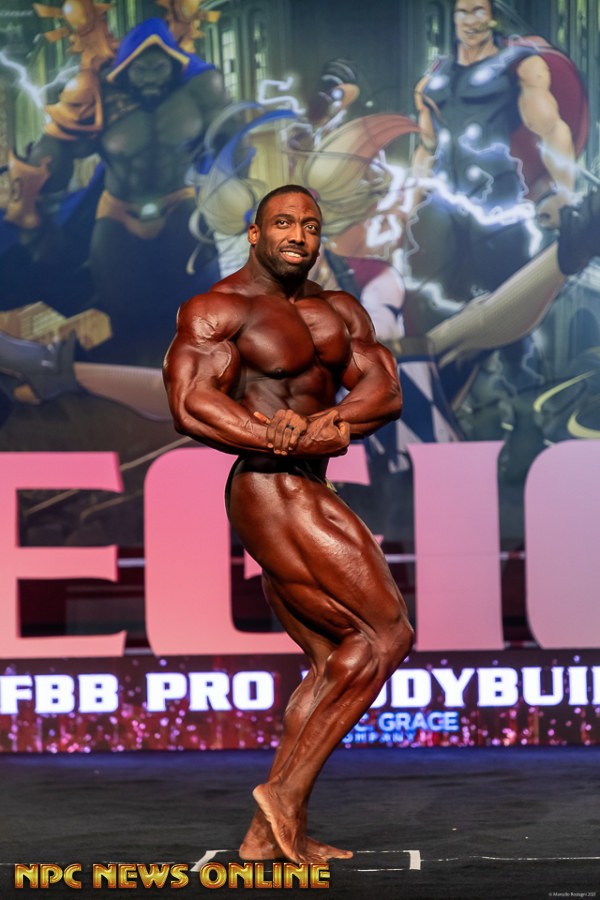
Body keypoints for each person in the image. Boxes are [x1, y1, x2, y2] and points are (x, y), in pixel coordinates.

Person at [162, 184, 415, 864]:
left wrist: (330, 422)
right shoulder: (219, 308)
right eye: (282, 222)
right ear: (254, 233)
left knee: (338, 659)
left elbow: (384, 390)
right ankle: (284, 793)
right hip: (269, 485)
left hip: (306, 479)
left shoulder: (339, 309)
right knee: (387, 633)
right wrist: (279, 438)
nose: (298, 234)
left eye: (310, 224)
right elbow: (191, 403)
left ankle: (266, 835)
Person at [5, 17, 241, 367]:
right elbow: (54, 151)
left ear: (173, 65)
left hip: (179, 207)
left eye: (158, 67)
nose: (150, 77)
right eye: (140, 69)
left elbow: (233, 137)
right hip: (118, 216)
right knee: (125, 320)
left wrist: (231, 190)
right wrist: (39, 218)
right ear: (125, 69)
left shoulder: (197, 95)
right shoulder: (100, 98)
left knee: (197, 319)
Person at [405, 0, 579, 334]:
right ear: (453, 18)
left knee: (505, 304)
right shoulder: (432, 82)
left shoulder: (520, 67)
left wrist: (565, 195)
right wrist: (408, 207)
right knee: (428, 300)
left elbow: (551, 129)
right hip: (443, 202)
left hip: (496, 202)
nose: (470, 20)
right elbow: (427, 149)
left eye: (478, 11)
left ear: (493, 18)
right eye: (462, 12)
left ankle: (515, 362)